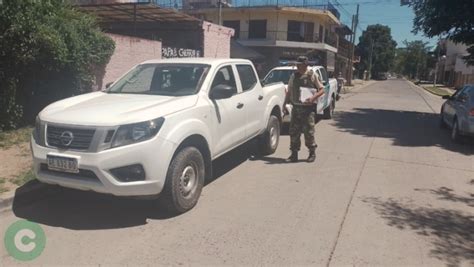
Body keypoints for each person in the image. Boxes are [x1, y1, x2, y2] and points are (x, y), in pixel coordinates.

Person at [284, 56, 325, 163]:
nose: (297, 66)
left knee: (309, 132)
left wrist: (313, 98)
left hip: (308, 110)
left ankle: (312, 153)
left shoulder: (312, 75)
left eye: (300, 64)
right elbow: (289, 91)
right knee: (294, 132)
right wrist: (285, 103)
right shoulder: (294, 76)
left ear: (305, 65)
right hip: (296, 108)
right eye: (297, 64)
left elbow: (322, 90)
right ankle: (294, 154)